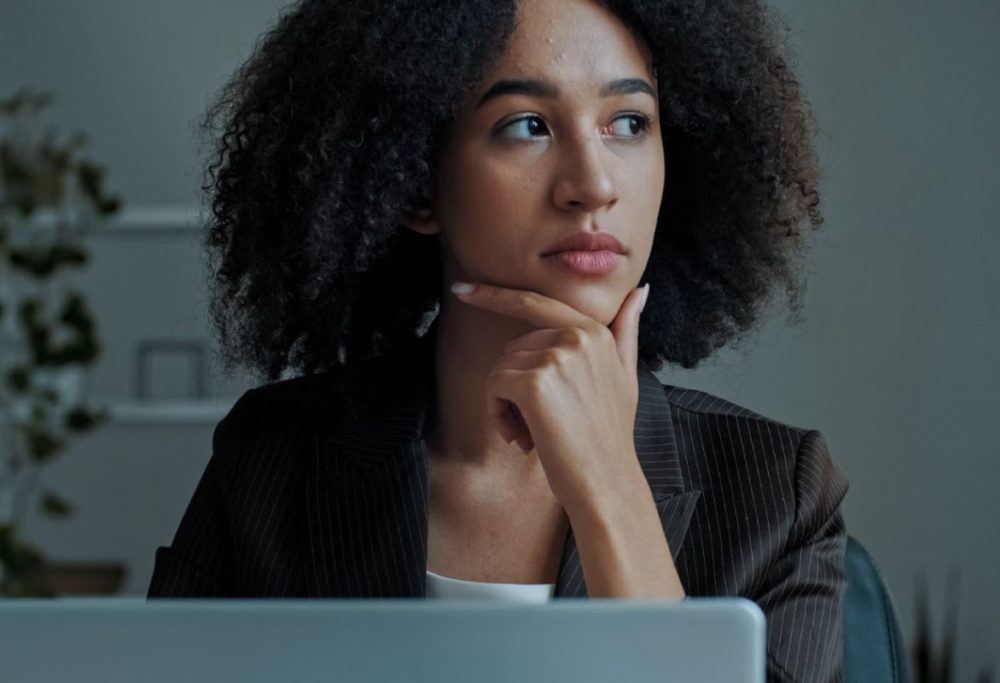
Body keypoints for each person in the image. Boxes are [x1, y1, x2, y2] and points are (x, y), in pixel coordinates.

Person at [148, 0, 849, 680]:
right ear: (417, 181)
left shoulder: (779, 495)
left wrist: (609, 484)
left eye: (629, 122)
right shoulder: (272, 462)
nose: (593, 184)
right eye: (527, 126)